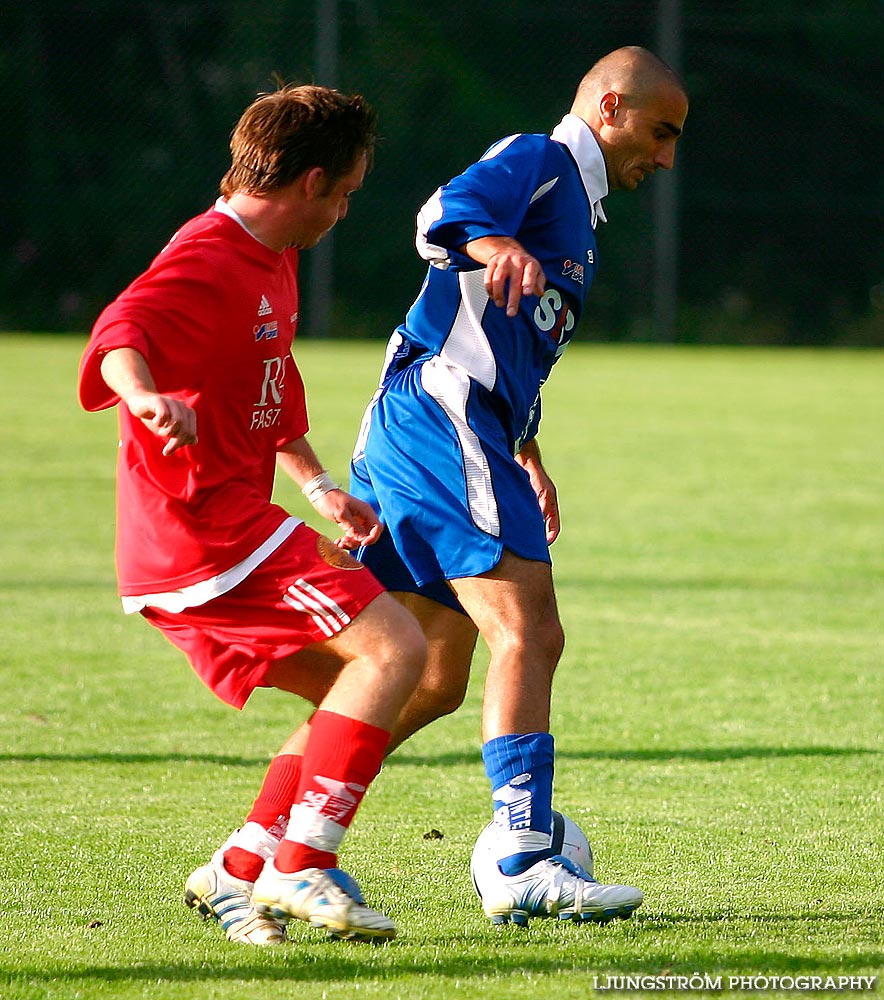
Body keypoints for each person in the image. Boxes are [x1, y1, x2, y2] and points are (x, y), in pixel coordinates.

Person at [344, 45, 689, 925]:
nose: (667, 155)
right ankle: (524, 851)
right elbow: (440, 216)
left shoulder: (583, 217)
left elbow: (506, 344)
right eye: (660, 132)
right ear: (608, 108)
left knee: (420, 675)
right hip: (437, 418)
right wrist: (492, 239)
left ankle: (266, 845)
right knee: (529, 627)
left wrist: (526, 447)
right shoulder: (541, 161)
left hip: (452, 424)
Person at [77, 84, 427, 945]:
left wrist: (317, 486)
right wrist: (148, 396)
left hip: (227, 524)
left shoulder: (273, 255)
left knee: (356, 695)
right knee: (396, 650)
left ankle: (237, 873)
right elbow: (120, 330)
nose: (346, 210)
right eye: (345, 193)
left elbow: (270, 388)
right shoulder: (208, 252)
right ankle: (302, 864)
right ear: (311, 182)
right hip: (199, 531)